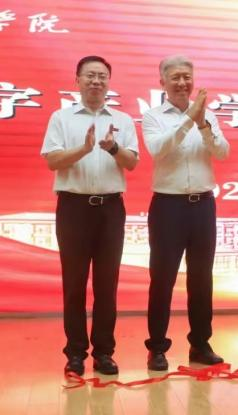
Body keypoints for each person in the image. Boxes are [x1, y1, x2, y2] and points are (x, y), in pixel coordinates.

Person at [41, 56, 139, 375]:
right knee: (74, 284)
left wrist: (112, 148)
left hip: (111, 209)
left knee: (107, 285)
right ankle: (75, 353)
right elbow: (52, 161)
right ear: (77, 81)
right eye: (90, 75)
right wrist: (84, 149)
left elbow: (132, 163)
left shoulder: (122, 120)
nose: (96, 81)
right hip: (73, 208)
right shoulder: (61, 117)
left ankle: (104, 353)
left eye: (102, 76)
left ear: (108, 82)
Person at [142, 55, 230, 371]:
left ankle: (200, 344)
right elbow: (158, 150)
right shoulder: (152, 117)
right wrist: (189, 119)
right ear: (162, 82)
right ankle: (157, 347)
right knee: (162, 278)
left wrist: (202, 123)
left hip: (203, 205)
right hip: (168, 206)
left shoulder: (209, 115)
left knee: (202, 278)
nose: (182, 83)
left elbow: (222, 152)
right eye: (176, 77)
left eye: (187, 77)